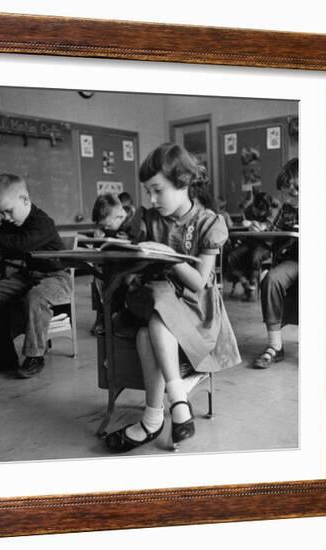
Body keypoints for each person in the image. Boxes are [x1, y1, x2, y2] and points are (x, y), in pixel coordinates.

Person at [105, 143, 241, 453]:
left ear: (183, 184)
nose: (151, 199)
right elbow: (136, 264)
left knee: (146, 331)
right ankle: (177, 400)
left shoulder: (209, 223)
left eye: (157, 190)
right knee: (155, 301)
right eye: (148, 192)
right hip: (154, 300)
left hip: (195, 311)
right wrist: (130, 268)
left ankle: (153, 420)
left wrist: (171, 256)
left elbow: (198, 283)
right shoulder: (148, 219)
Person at [0, 173, 72, 379]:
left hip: (56, 277)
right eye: (3, 214)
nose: (6, 218)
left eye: (9, 211)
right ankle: (3, 356)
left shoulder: (42, 222)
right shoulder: (12, 222)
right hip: (29, 276)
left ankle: (35, 355)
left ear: (25, 200)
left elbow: (21, 244)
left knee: (36, 297)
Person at [253, 158, 299, 368]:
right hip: (294, 260)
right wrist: (260, 229)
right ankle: (275, 345)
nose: (283, 198)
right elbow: (273, 231)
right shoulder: (287, 208)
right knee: (271, 279)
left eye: (286, 192)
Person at [90, 193, 137, 334]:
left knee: (116, 283)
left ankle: (113, 316)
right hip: (113, 268)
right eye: (102, 226)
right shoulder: (110, 224)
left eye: (107, 225)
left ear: (119, 216)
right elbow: (99, 248)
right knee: (102, 280)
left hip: (134, 269)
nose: (106, 229)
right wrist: (99, 239)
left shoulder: (135, 221)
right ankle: (108, 315)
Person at [227, 191, 275, 300]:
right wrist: (242, 223)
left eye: (261, 212)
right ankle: (245, 283)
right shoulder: (248, 210)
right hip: (249, 242)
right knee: (232, 257)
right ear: (253, 205)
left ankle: (252, 286)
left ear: (267, 210)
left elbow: (267, 225)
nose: (257, 213)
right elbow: (238, 224)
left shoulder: (274, 209)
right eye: (256, 210)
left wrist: (252, 223)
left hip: (265, 244)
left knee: (255, 256)